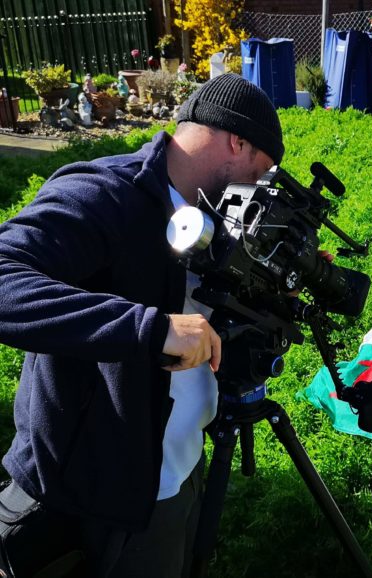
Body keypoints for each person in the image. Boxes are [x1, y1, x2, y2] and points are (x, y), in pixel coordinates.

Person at [0, 74, 285, 577]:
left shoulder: (215, 212)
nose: (259, 189)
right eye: (261, 172)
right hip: (103, 489)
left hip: (180, 466)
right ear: (237, 141)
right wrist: (149, 330)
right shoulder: (105, 194)